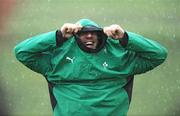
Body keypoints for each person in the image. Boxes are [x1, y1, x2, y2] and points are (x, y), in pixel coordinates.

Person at [14, 19, 167, 116]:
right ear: (74, 38)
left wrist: (125, 38)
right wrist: (58, 36)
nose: (88, 36)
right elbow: (21, 52)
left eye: (94, 33)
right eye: (82, 33)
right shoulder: (57, 58)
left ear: (102, 36)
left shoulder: (121, 57)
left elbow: (159, 54)